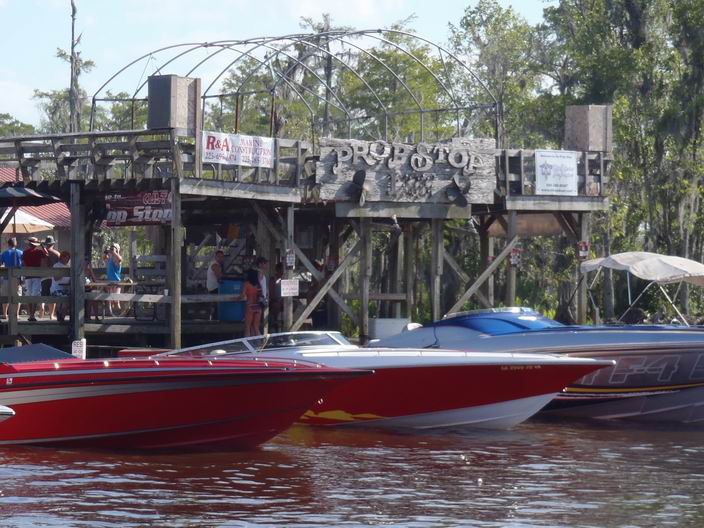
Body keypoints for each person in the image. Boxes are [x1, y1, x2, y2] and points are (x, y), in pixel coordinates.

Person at [23, 236, 48, 321]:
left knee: (29, 295)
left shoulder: (25, 252)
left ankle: (30, 314)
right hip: (36, 276)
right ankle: (32, 315)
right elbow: (46, 255)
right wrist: (42, 246)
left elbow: (23, 262)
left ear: (29, 244)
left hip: (27, 276)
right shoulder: (39, 252)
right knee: (35, 295)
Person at [0, 237, 23, 320]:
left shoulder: (4, 253)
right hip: (17, 277)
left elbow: (0, 264)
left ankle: (5, 314)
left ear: (8, 244)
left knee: (5, 296)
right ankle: (16, 314)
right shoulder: (20, 253)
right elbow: (23, 264)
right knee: (17, 296)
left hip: (6, 277)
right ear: (16, 244)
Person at [42, 235, 61, 319]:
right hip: (54, 277)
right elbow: (60, 264)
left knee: (43, 294)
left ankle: (42, 308)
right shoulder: (57, 254)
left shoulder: (42, 253)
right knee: (53, 295)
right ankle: (51, 314)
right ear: (53, 244)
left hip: (44, 276)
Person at [50, 251, 70, 322]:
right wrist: (64, 273)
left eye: (68, 258)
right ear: (61, 258)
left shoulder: (69, 266)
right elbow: (56, 278)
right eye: (66, 258)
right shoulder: (56, 266)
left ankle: (62, 319)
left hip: (66, 288)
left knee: (67, 302)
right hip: (56, 289)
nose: (67, 259)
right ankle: (59, 317)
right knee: (61, 302)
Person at [242, 268, 262, 337]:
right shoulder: (258, 284)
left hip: (250, 306)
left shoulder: (246, 284)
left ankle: (247, 343)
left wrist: (235, 298)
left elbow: (243, 295)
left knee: (247, 328)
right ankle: (260, 342)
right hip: (257, 306)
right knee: (256, 327)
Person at [206, 250, 225, 320]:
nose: (220, 258)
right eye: (219, 257)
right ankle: (214, 320)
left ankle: (214, 319)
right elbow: (219, 277)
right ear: (215, 257)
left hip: (213, 288)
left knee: (215, 305)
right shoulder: (215, 265)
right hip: (214, 288)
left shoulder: (217, 265)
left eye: (222, 257)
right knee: (216, 305)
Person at [106, 243, 123, 316]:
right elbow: (104, 258)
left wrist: (115, 252)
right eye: (111, 248)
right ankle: (111, 314)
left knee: (116, 300)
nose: (112, 250)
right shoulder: (110, 259)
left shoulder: (118, 259)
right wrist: (107, 251)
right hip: (109, 281)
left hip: (116, 282)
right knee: (110, 300)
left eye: (113, 248)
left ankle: (120, 314)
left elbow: (119, 259)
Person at [269, 262, 284, 332]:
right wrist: (276, 299)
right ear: (278, 270)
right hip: (274, 300)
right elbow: (271, 293)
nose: (282, 271)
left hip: (282, 300)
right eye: (281, 269)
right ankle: (274, 322)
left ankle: (285, 320)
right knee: (276, 306)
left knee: (295, 303)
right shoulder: (273, 279)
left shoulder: (284, 279)